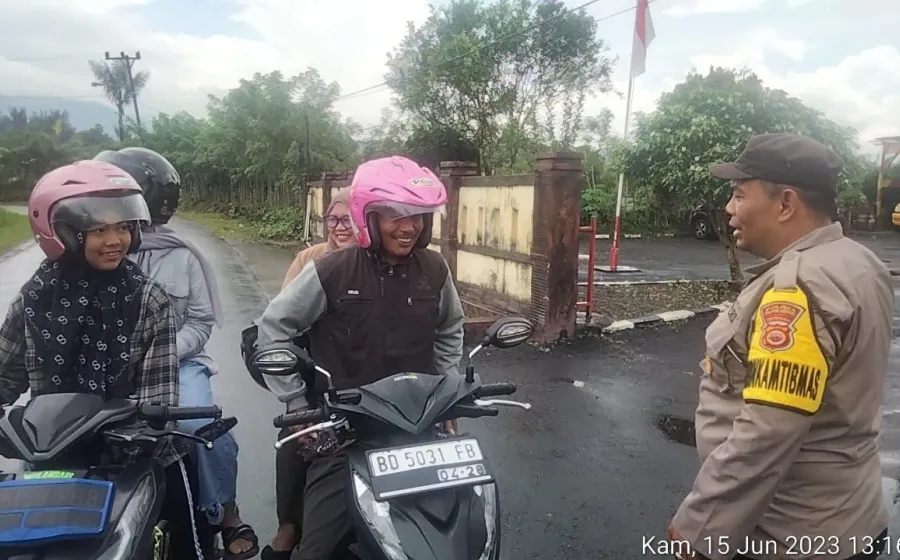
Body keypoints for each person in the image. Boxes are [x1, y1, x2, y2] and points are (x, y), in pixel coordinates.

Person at [667, 133, 892, 560]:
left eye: (738, 195)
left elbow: (766, 434)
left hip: (788, 535)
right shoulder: (859, 261)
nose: (729, 209)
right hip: (850, 516)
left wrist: (702, 529)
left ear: (786, 203)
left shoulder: (798, 289)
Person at [247, 155, 466, 560]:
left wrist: (449, 388)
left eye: (417, 216)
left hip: (417, 429)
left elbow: (450, 328)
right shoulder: (332, 270)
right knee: (316, 550)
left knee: (461, 534)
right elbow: (274, 327)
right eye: (396, 215)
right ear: (369, 216)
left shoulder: (435, 269)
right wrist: (296, 401)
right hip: (347, 432)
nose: (409, 227)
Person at [0, 159, 209, 557]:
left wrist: (138, 435)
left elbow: (158, 400)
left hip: (131, 458)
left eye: (123, 227)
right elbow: (6, 375)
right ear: (62, 232)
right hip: (48, 455)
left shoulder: (148, 300)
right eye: (98, 229)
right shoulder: (33, 298)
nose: (115, 240)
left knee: (184, 534)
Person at [92, 147, 258, 560]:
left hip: (178, 364)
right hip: (106, 368)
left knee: (202, 426)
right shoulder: (91, 255)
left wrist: (160, 353)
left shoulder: (182, 256)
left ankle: (224, 511)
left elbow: (200, 322)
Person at [264, 186, 357, 560]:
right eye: (333, 219)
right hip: (316, 373)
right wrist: (295, 396)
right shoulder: (311, 260)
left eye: (348, 219)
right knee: (295, 435)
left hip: (372, 379)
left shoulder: (389, 264)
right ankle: (288, 525)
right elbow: (281, 321)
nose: (339, 227)